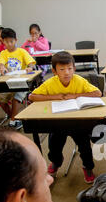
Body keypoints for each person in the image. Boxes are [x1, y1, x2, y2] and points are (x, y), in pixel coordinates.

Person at [29, 51, 101, 183]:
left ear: (74, 68)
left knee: (84, 146)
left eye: (69, 68)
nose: (66, 72)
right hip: (58, 122)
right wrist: (56, 97)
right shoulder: (50, 83)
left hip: (77, 122)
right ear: (54, 71)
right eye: (62, 69)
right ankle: (56, 161)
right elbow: (32, 96)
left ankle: (87, 166)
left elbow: (98, 93)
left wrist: (74, 96)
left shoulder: (79, 80)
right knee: (54, 145)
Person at [0, 27, 36, 130]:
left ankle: (14, 120)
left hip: (21, 83)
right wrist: (2, 68)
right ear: (3, 42)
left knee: (16, 99)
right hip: (9, 83)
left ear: (16, 40)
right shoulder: (3, 53)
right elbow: (1, 64)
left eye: (11, 41)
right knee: (1, 101)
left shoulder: (22, 51)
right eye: (6, 42)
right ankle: (14, 119)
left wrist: (30, 67)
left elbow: (31, 63)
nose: (9, 44)